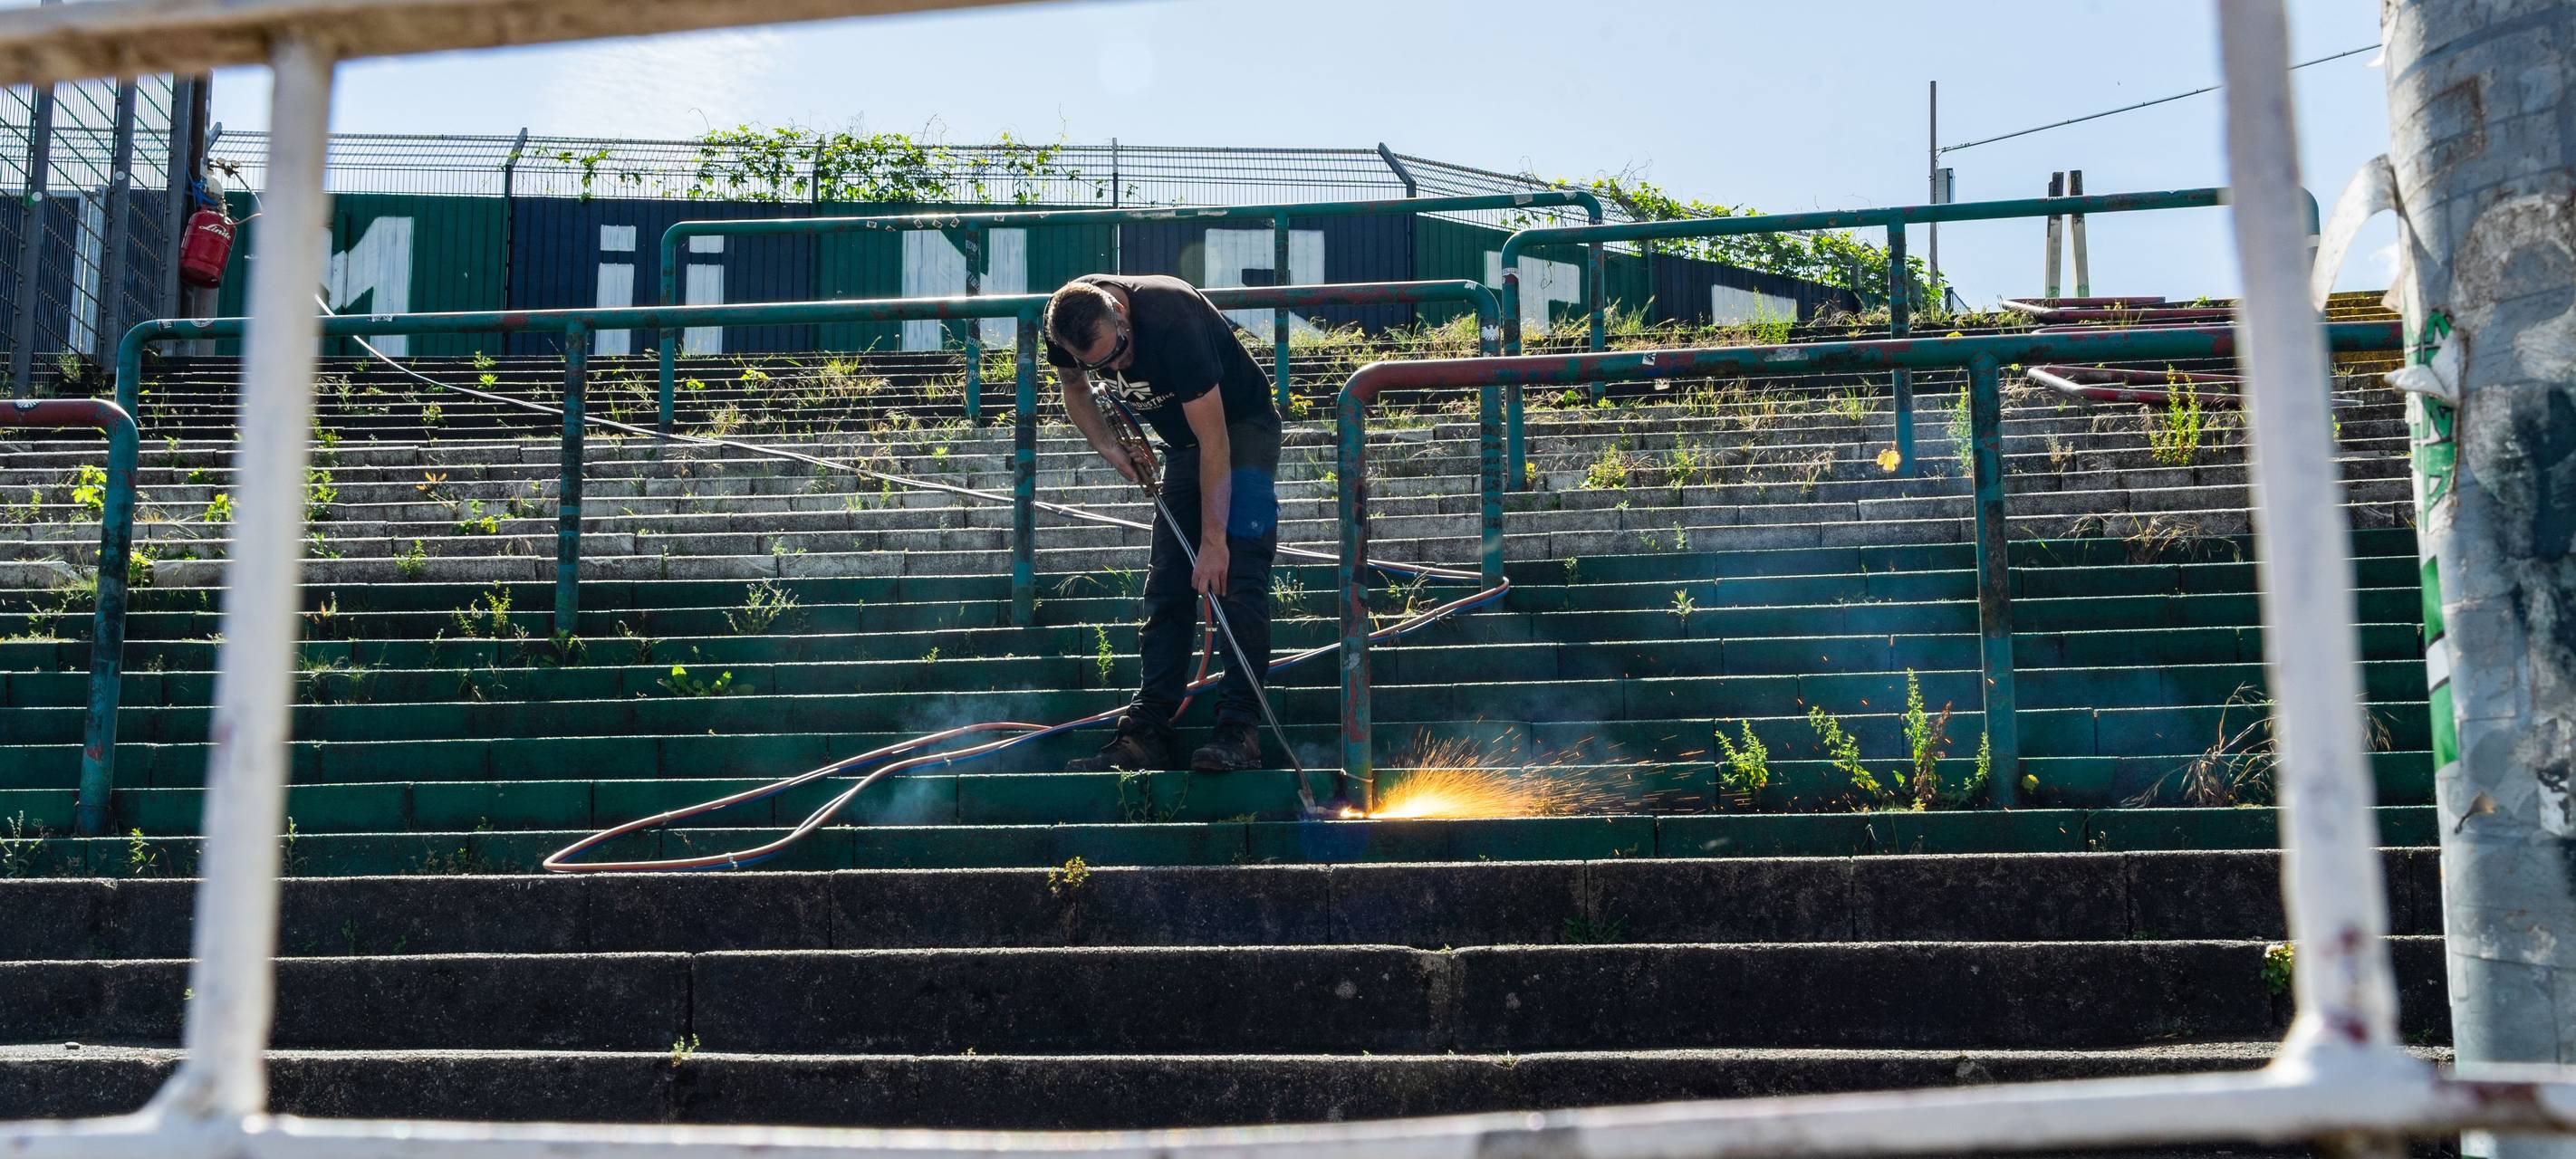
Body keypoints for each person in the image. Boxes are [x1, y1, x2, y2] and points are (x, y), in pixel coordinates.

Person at [1043, 273, 1282, 773]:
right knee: (1169, 582)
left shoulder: (1173, 317)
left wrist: (1214, 540)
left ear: (1121, 312)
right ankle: (1148, 730)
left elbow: (1216, 442)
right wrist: (1111, 450)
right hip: (1184, 444)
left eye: (1121, 351)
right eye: (1102, 364)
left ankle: (1239, 729)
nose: (1118, 367)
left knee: (1237, 575)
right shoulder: (1063, 319)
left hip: (1240, 428)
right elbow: (1073, 387)